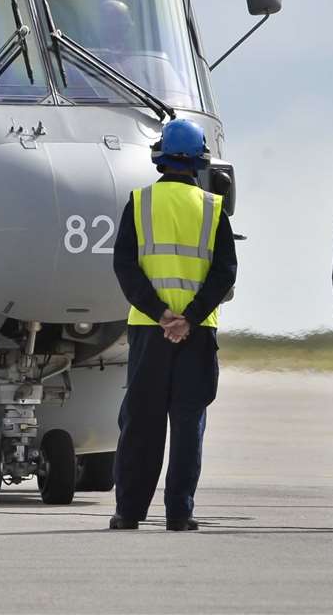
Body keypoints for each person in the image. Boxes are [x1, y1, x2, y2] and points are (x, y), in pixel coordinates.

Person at [109, 118, 237, 531]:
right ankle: (179, 514)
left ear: (159, 157)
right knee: (187, 427)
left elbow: (125, 267)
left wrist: (159, 314)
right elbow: (224, 274)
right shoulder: (214, 209)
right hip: (197, 335)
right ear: (200, 160)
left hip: (149, 332)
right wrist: (189, 318)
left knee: (141, 424)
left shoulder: (140, 202)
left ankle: (129, 512)